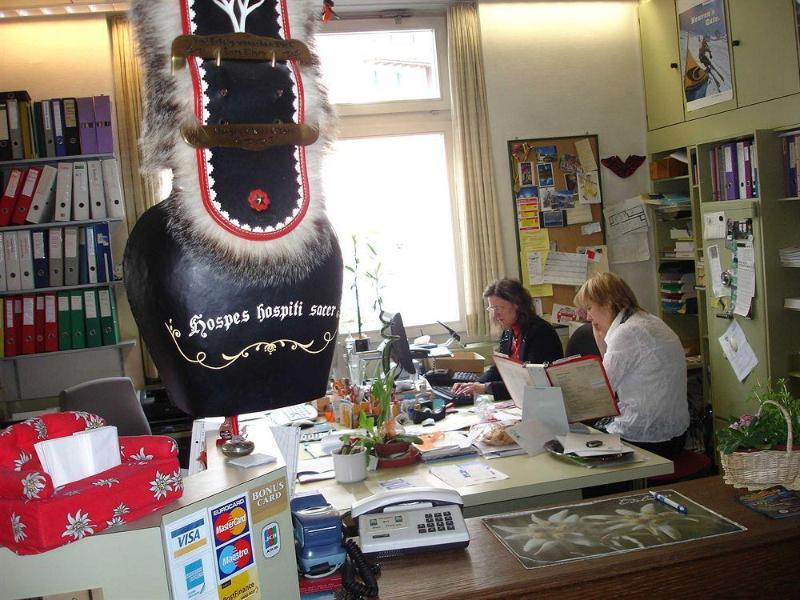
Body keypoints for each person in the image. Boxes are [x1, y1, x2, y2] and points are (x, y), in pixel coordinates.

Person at [573, 272, 689, 460]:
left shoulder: (626, 333)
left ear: (608, 303)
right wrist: (602, 337)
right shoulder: (649, 320)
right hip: (675, 435)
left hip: (649, 439)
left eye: (589, 308)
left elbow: (600, 394)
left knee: (573, 443)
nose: (587, 316)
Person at [452, 278, 563, 400]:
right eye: (492, 308)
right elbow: (498, 369)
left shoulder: (541, 332)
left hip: (541, 400)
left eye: (499, 308)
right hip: (519, 398)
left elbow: (531, 381)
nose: (495, 315)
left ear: (517, 305)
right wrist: (474, 384)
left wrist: (486, 388)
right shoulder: (508, 331)